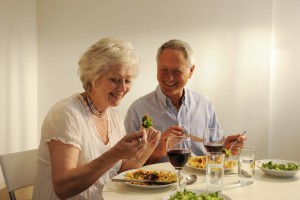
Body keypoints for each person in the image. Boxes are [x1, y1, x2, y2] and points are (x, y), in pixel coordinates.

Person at [32, 37, 161, 200]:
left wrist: (144, 152)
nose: (122, 88)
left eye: (127, 80)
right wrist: (115, 153)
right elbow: (62, 188)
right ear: (93, 77)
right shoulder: (66, 114)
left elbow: (116, 173)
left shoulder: (113, 116)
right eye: (115, 80)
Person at [124, 39, 246, 164]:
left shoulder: (205, 104)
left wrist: (226, 149)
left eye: (176, 71)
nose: (169, 77)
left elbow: (214, 157)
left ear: (191, 71)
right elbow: (127, 166)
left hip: (199, 181)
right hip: (156, 181)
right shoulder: (137, 110)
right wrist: (158, 151)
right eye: (164, 69)